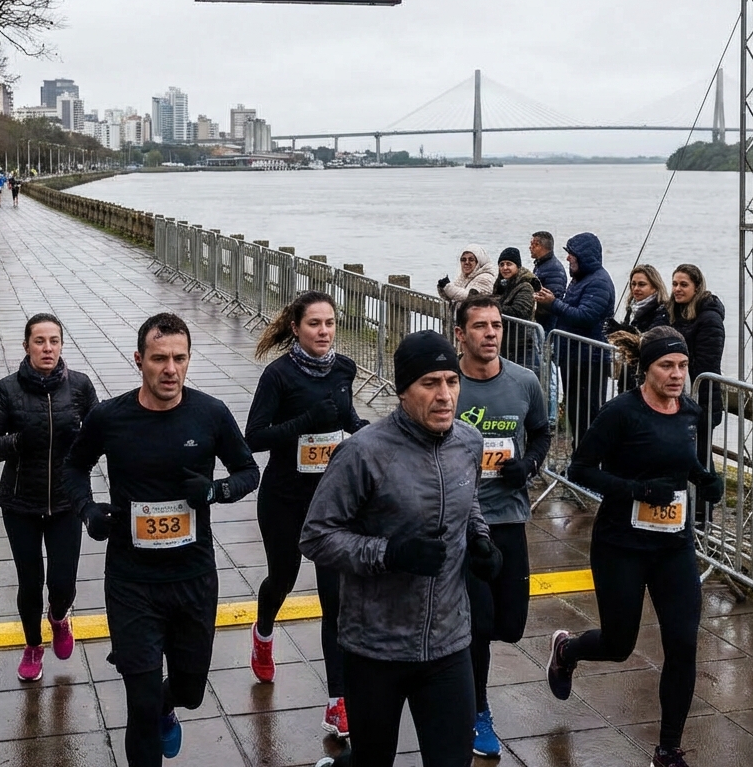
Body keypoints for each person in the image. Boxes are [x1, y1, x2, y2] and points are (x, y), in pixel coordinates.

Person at [63, 313, 259, 766]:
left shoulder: (210, 413)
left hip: (193, 577)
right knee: (141, 705)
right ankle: (153, 713)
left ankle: (170, 706)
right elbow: (74, 466)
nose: (170, 369)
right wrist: (87, 510)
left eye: (179, 358)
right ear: (139, 360)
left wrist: (215, 491)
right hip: (132, 581)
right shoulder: (109, 417)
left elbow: (248, 471)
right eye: (159, 359)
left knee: (190, 691)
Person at [300, 331, 503, 767]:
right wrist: (389, 553)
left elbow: (468, 500)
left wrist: (481, 538)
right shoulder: (363, 453)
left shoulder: (469, 441)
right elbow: (316, 535)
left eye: (452, 381)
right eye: (430, 383)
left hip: (449, 643)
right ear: (403, 390)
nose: (445, 395)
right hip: (376, 647)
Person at [547, 327, 723, 767]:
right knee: (618, 643)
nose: (677, 374)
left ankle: (668, 750)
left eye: (683, 365)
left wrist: (705, 478)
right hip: (620, 544)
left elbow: (685, 460)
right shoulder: (620, 413)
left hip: (673, 547)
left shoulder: (690, 412)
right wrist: (637, 490)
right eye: (667, 366)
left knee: (682, 644)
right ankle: (567, 650)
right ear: (646, 369)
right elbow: (581, 469)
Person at [245, 291, 365, 738]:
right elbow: (254, 437)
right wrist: (306, 420)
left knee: (335, 600)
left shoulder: (344, 369)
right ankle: (263, 631)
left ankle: (338, 702)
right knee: (283, 578)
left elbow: (347, 417)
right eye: (314, 323)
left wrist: (371, 433)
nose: (324, 331)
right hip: (284, 499)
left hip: (331, 502)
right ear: (296, 328)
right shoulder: (278, 375)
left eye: (330, 323)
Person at [453, 297, 550, 759]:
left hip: (510, 517)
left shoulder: (524, 381)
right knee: (479, 624)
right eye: (480, 326)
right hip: (463, 523)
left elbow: (542, 432)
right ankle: (476, 708)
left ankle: (455, 654)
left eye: (496, 325)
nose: (491, 333)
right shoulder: (447, 386)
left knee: (509, 626)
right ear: (460, 334)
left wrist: (527, 465)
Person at [0, 314, 98, 681]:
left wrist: (83, 451)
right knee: (30, 583)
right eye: (40, 341)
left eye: (54, 341)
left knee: (63, 583)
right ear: (27, 346)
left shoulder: (79, 386)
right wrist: (16, 442)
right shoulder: (7, 389)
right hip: (20, 503)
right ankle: (32, 645)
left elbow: (100, 435)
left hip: (65, 503)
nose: (48, 348)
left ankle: (59, 617)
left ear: (61, 345)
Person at [535, 232, 616, 446]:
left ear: (584, 256)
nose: (568, 258)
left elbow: (585, 316)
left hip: (590, 359)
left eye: (571, 254)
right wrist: (551, 301)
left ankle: (589, 459)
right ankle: (577, 455)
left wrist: (553, 304)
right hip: (573, 356)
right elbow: (571, 308)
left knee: (587, 415)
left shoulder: (599, 281)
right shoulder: (579, 279)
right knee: (575, 413)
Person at [668, 264, 725, 469]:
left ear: (697, 287)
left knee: (700, 459)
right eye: (674, 284)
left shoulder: (710, 319)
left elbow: (707, 364)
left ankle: (708, 490)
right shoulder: (675, 313)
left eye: (684, 284)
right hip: (679, 396)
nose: (677, 289)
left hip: (703, 399)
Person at [604, 265, 670, 392]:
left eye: (641, 284)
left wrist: (622, 332)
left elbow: (650, 339)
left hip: (647, 374)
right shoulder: (632, 308)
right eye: (633, 284)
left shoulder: (661, 311)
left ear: (654, 287)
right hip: (628, 371)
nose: (636, 288)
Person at [490, 247, 539, 365]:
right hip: (507, 345)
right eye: (501, 264)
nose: (505, 268)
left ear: (518, 266)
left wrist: (491, 307)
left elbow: (518, 312)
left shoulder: (525, 286)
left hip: (523, 346)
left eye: (509, 264)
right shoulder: (501, 285)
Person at [528, 231, 566, 337]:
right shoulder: (541, 264)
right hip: (540, 321)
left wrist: (533, 308)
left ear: (539, 246)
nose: (530, 247)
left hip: (547, 324)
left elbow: (554, 299)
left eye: (533, 244)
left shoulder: (554, 269)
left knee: (544, 345)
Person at [437, 245, 497, 313]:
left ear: (479, 262)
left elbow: (470, 297)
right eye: (463, 260)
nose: (466, 262)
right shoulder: (464, 277)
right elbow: (453, 298)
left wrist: (448, 287)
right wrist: (443, 288)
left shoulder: (486, 278)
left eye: (471, 260)